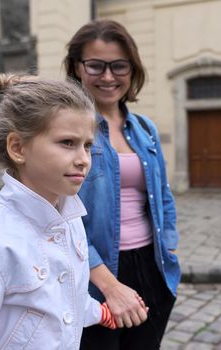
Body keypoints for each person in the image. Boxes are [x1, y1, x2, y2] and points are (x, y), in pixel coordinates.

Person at [0, 73, 126, 349]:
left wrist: (96, 312)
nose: (83, 160)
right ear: (18, 147)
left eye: (87, 145)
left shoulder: (70, 222)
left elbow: (63, 296)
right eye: (67, 143)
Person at [64, 19, 180, 349]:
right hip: (95, 275)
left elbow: (163, 196)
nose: (109, 76)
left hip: (151, 266)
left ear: (132, 69)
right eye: (96, 66)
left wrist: (168, 246)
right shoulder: (67, 127)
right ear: (77, 67)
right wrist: (108, 284)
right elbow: (59, 217)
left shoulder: (144, 128)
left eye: (119, 66)